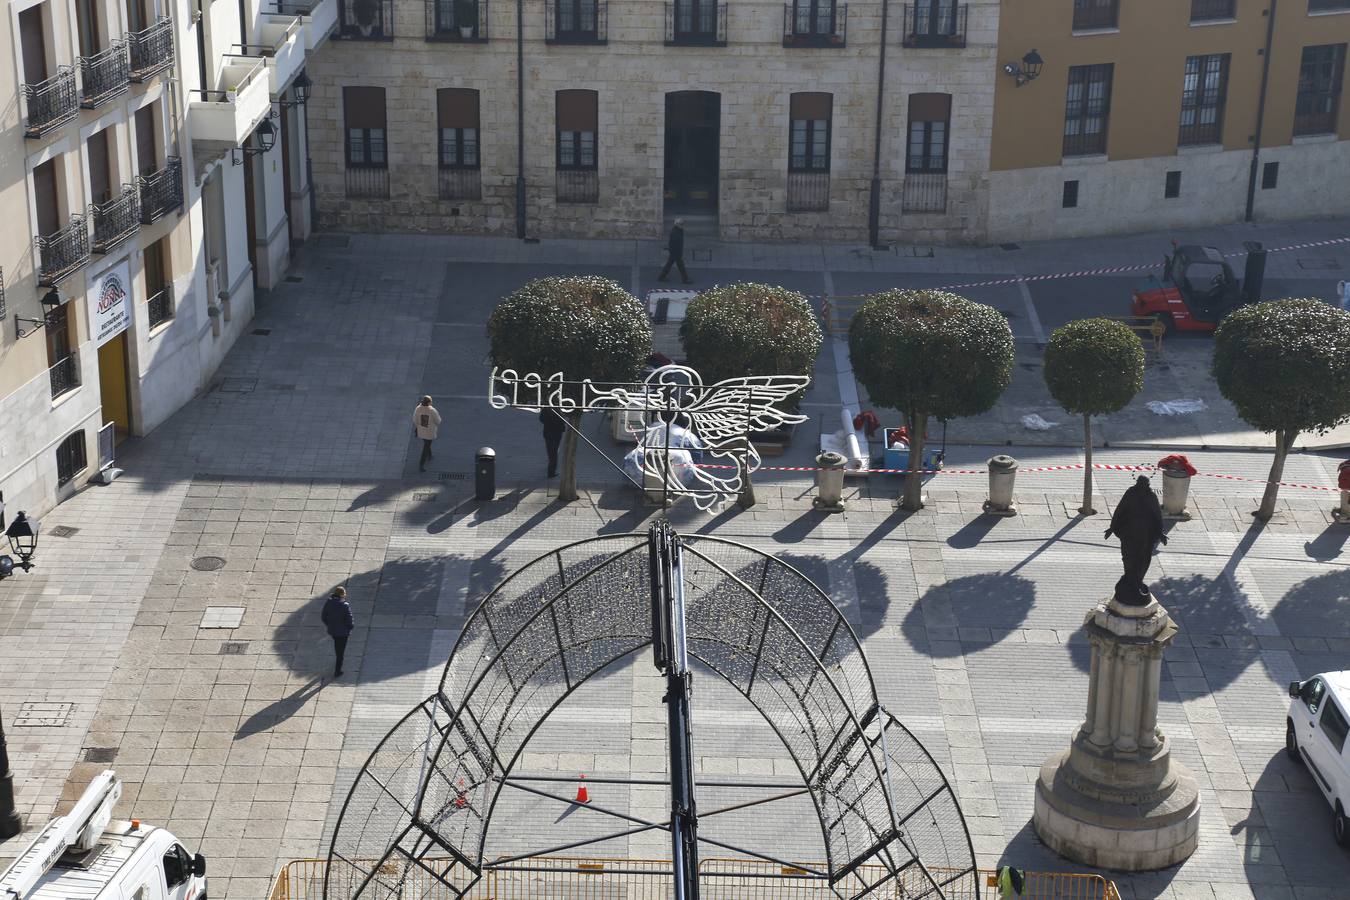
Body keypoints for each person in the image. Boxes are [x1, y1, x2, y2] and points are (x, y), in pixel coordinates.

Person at [321, 586, 354, 678]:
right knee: (340, 652)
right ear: (342, 594)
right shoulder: (344, 605)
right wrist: (349, 628)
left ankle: (338, 661)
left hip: (333, 631)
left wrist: (330, 625)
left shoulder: (328, 603)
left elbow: (324, 617)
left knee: (337, 646)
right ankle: (337, 671)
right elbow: (350, 620)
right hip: (343, 633)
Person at [658, 218, 692, 284]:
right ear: (678, 224)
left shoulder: (678, 230)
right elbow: (674, 244)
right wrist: (676, 252)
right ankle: (685, 279)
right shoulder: (676, 232)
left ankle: (661, 277)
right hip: (676, 252)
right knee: (680, 266)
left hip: (675, 252)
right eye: (681, 224)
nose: (683, 225)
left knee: (670, 264)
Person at [413, 396, 441, 473]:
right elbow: (438, 421)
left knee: (426, 443)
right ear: (429, 402)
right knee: (426, 445)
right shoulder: (432, 410)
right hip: (429, 432)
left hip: (421, 431)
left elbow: (415, 420)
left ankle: (430, 455)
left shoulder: (418, 408)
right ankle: (421, 464)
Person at [540, 407, 566, 478]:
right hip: (556, 433)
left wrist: (548, 422)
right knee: (554, 452)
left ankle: (551, 466)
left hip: (548, 432)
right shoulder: (559, 408)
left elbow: (541, 419)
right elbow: (562, 420)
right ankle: (551, 472)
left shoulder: (546, 408)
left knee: (550, 450)